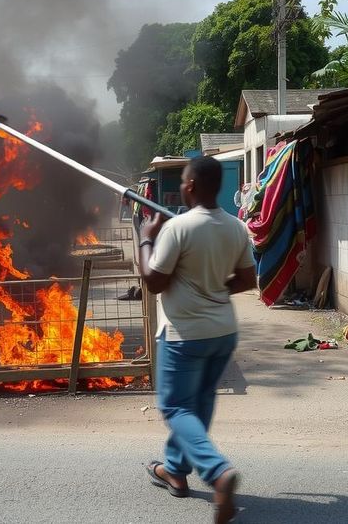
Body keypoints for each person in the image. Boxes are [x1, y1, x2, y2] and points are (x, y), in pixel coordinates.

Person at [137, 156, 257, 523]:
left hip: (184, 335)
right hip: (222, 332)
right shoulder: (236, 227)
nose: (182, 187)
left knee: (175, 408)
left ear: (190, 186)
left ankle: (218, 471)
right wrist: (212, 287)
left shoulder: (178, 229)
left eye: (184, 182)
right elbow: (247, 280)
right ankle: (174, 469)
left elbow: (154, 281)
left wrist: (145, 239)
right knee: (198, 405)